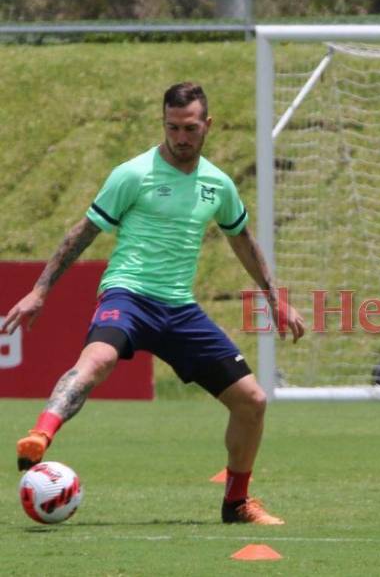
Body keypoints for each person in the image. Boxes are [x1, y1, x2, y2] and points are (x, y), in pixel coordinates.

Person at [2, 82, 305, 525]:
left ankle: (236, 503)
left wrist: (274, 298)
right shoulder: (133, 174)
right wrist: (40, 289)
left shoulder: (217, 185)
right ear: (163, 123)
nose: (181, 137)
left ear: (207, 125)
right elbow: (82, 232)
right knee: (96, 362)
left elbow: (241, 238)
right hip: (128, 296)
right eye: (172, 127)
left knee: (252, 402)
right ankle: (39, 437)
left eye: (190, 128)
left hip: (180, 310)